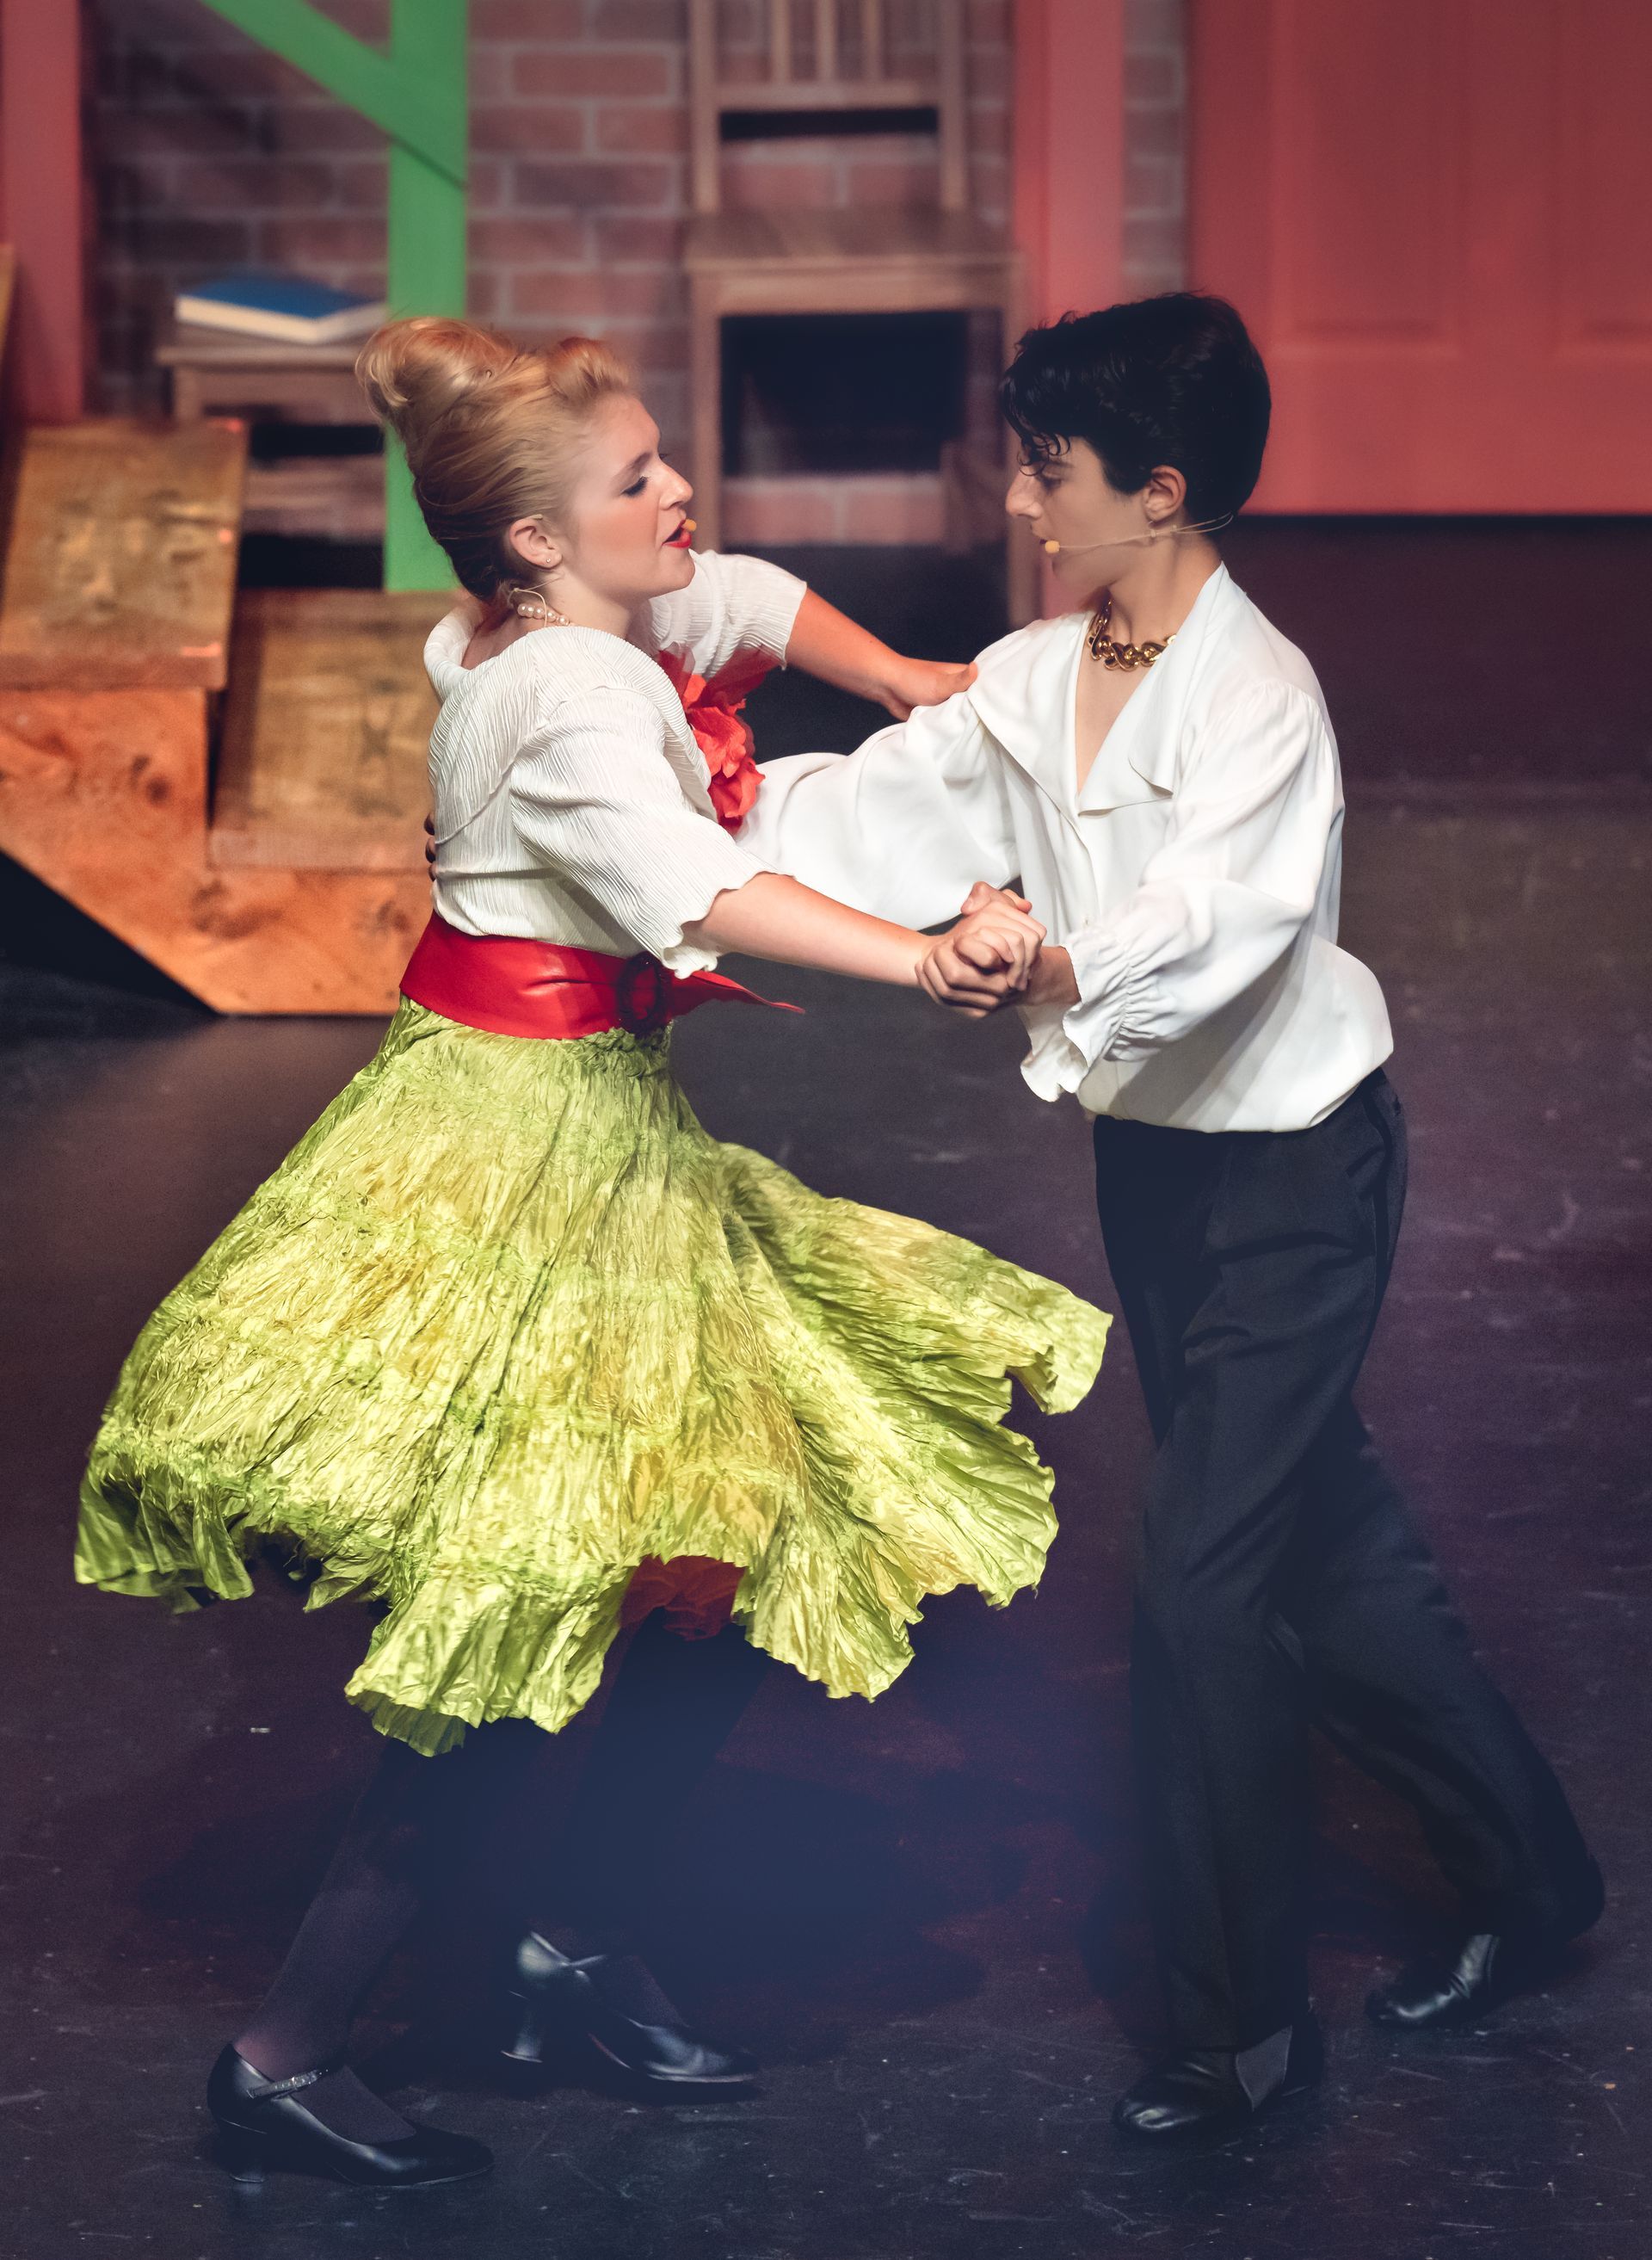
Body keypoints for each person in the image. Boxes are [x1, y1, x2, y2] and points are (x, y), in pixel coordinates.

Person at [74, 317, 1109, 2189]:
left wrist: (899, 677)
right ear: (540, 543)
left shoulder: (531, 624)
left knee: (723, 1550)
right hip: (522, 1142)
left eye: (661, 459)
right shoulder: (567, 700)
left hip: (584, 1112)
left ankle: (571, 1942)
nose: (677, 494)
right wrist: (927, 953)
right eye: (635, 478)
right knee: (528, 1593)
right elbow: (691, 888)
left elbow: (749, 599)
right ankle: (287, 2048)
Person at [737, 293, 1603, 2144]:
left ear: (1163, 483)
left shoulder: (1260, 694)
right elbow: (902, 791)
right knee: (1330, 1551)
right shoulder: (1056, 662)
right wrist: (688, 812)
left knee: (1204, 1577)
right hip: (1163, 1163)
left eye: (1053, 468)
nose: (1026, 493)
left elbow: (1220, 921)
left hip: (1299, 1171)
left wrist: (1046, 954)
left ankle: (1236, 2030)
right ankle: (1540, 1882)